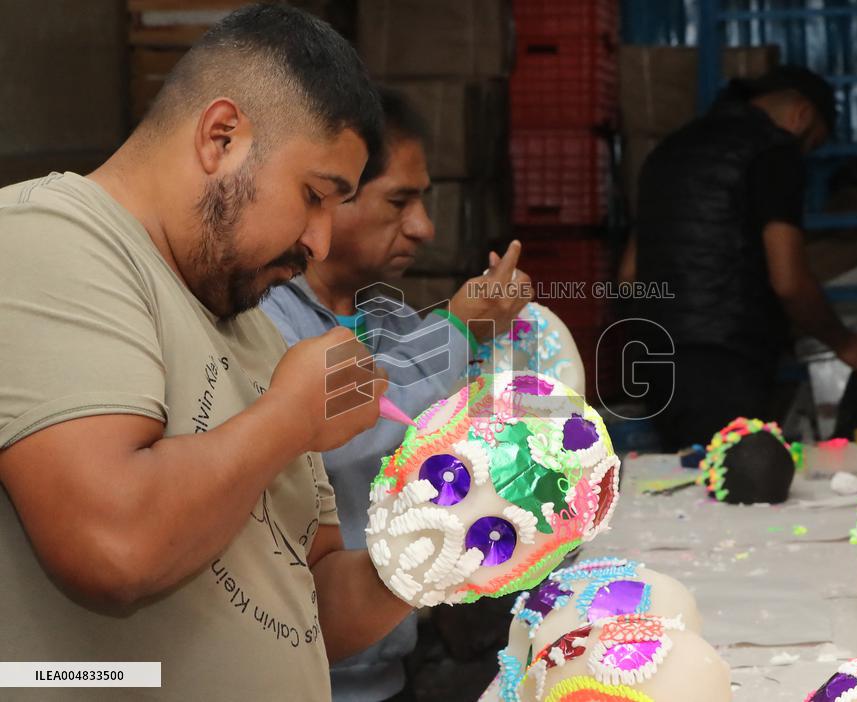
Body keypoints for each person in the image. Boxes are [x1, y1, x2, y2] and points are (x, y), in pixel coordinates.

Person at [0, 6, 414, 701]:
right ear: (221, 137)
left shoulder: (247, 320)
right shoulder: (45, 240)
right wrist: (291, 416)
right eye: (313, 196)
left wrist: (447, 546)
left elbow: (307, 607)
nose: (319, 241)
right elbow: (113, 545)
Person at [261, 87, 531, 701]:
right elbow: (353, 435)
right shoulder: (265, 320)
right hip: (303, 676)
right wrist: (460, 330)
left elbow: (446, 431)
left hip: (383, 666)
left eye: (424, 200)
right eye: (399, 201)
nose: (423, 227)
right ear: (327, 196)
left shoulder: (384, 313)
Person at [622, 65, 857, 450]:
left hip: (651, 355)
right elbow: (789, 280)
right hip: (725, 359)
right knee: (732, 490)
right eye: (812, 145)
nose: (804, 153)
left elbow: (628, 276)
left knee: (685, 482)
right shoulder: (774, 151)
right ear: (802, 115)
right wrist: (845, 343)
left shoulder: (668, 152)